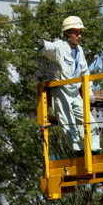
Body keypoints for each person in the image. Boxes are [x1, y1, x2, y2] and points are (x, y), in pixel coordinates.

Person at [36, 15, 93, 153]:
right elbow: (52, 48)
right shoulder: (60, 47)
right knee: (67, 122)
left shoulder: (80, 51)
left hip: (74, 91)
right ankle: (78, 150)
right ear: (66, 34)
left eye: (80, 33)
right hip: (60, 90)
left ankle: (93, 150)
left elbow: (85, 72)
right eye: (76, 33)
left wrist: (89, 92)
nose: (79, 36)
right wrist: (43, 44)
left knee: (89, 121)